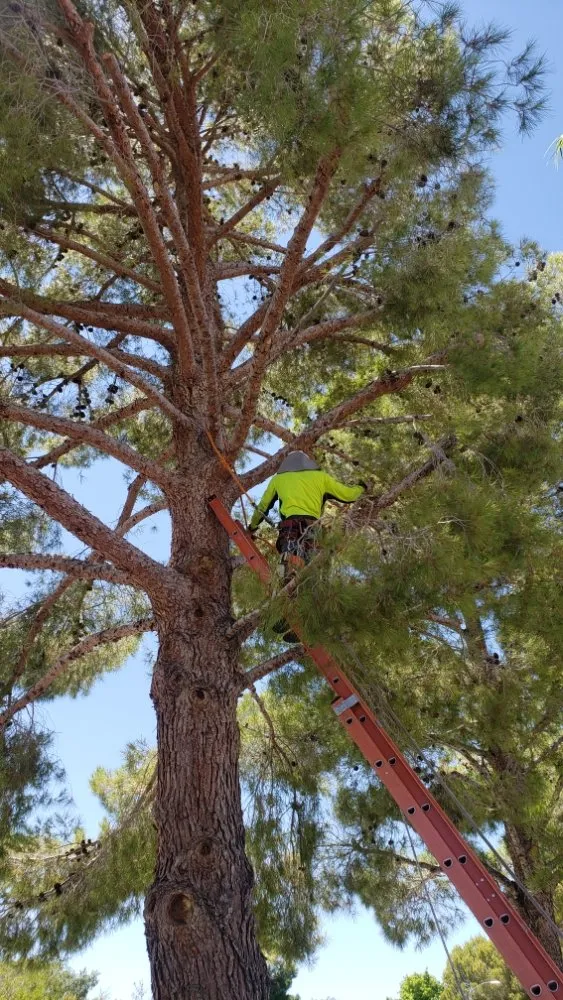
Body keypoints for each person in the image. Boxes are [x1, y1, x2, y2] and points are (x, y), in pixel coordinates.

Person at [248, 451, 367, 639]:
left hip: (290, 529)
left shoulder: (279, 479)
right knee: (313, 574)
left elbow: (263, 506)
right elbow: (347, 494)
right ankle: (308, 620)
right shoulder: (320, 477)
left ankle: (287, 613)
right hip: (314, 531)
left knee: (288, 568)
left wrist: (252, 527)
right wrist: (361, 488)